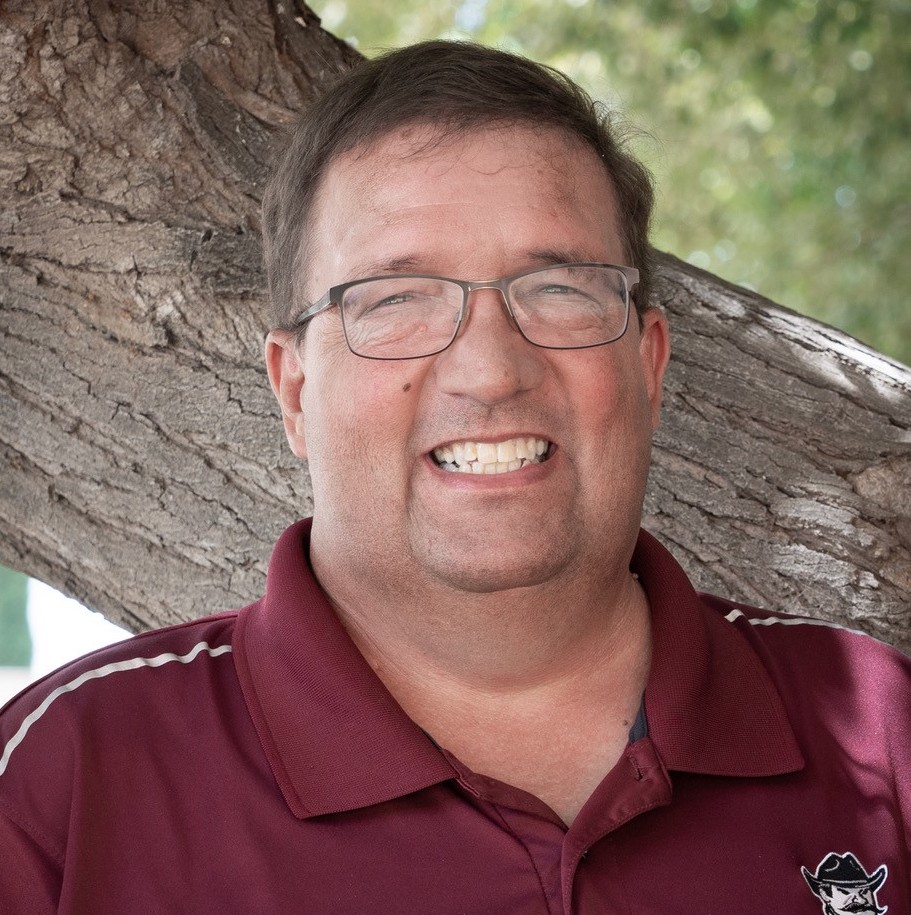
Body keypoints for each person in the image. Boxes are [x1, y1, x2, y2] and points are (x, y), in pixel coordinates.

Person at [0, 40, 909, 914]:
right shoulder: (63, 791)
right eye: (395, 299)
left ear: (648, 365)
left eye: (557, 288)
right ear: (294, 390)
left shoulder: (884, 738)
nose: (490, 370)